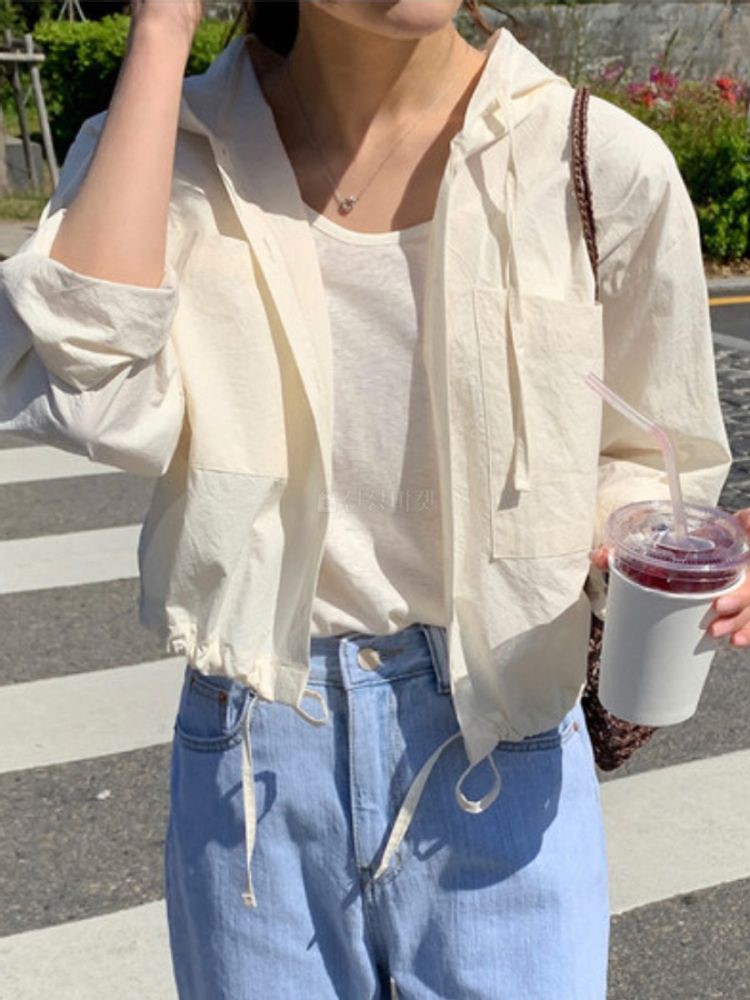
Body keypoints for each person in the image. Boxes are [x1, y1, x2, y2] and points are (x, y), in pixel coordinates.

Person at [1, 0, 749, 996]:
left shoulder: (594, 162)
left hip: (503, 738)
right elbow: (88, 387)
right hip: (256, 752)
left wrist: (637, 535)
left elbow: (656, 447)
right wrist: (163, 26)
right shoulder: (178, 152)